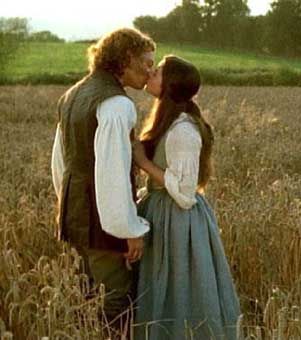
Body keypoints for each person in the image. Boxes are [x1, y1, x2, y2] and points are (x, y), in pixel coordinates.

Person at [51, 28, 155, 335]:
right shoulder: (117, 105)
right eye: (147, 62)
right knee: (116, 300)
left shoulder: (72, 94)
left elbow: (62, 162)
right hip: (102, 218)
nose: (151, 71)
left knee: (87, 297)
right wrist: (128, 230)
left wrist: (67, 204)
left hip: (74, 212)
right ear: (126, 59)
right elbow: (112, 172)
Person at [132, 55, 241, 339]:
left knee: (181, 291)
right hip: (162, 210)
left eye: (156, 72)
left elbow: (184, 192)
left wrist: (143, 163)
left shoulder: (183, 130)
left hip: (178, 220)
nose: (149, 73)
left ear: (169, 85)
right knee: (163, 287)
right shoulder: (169, 122)